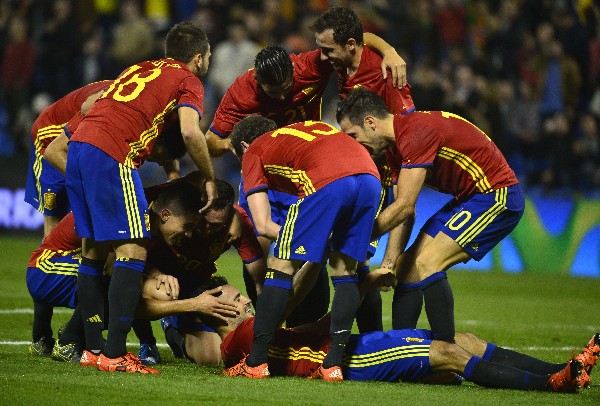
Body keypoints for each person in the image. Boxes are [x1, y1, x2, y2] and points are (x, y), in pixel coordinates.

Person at [206, 36, 403, 330]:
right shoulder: (241, 93)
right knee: (259, 245)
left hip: (308, 173)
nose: (285, 97)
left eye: (289, 88)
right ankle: (266, 327)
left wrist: (390, 51)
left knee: (332, 255)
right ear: (259, 83)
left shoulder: (310, 65)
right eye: (276, 93)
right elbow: (210, 141)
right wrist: (238, 148)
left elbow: (351, 38)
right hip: (266, 173)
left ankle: (322, 326)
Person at [64, 21, 216, 374]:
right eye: (208, 56)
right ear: (198, 58)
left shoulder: (141, 67)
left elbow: (90, 105)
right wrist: (208, 177)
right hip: (112, 153)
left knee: (92, 250)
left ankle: (93, 349)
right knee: (134, 250)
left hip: (81, 147)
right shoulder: (188, 79)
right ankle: (115, 354)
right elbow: (191, 132)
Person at [336, 88, 525, 344]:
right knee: (406, 268)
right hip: (469, 198)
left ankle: (447, 356)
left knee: (428, 263)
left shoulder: (415, 133)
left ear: (370, 122)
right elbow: (406, 213)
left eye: (353, 135)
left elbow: (403, 206)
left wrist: (354, 237)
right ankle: (402, 351)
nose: (354, 144)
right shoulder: (394, 148)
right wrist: (389, 264)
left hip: (497, 195)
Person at [211, 277, 597, 393]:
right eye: (234, 298)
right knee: (451, 354)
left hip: (348, 345)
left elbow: (310, 329)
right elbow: (290, 300)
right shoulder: (240, 338)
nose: (245, 299)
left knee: (467, 340)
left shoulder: (258, 336)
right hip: (353, 360)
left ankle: (566, 367)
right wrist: (313, 253)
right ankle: (552, 384)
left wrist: (357, 293)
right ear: (216, 308)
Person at [224, 115, 382, 381]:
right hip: (371, 177)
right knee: (345, 270)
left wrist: (310, 241)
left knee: (280, 263)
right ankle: (332, 366)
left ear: (243, 145)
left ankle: (255, 363)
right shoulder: (304, 131)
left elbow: (263, 225)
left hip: (329, 181)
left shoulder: (254, 151)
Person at [27, 180, 240, 366]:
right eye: (187, 226)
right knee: (125, 281)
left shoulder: (149, 223)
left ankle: (80, 336)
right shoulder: (133, 217)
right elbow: (112, 267)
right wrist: (189, 302)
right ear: (165, 215)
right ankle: (70, 340)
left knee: (136, 283)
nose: (189, 234)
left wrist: (156, 274)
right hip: (47, 268)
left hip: (73, 267)